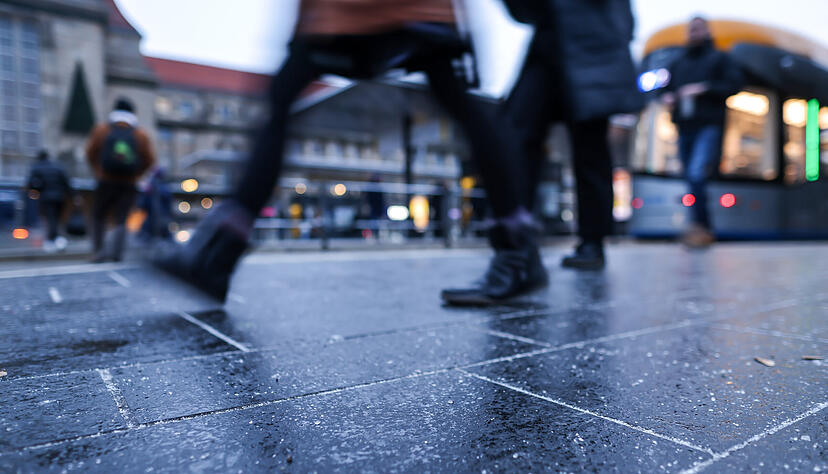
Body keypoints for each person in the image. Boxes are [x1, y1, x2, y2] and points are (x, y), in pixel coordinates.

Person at [155, 0, 545, 305]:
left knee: (283, 98)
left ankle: (220, 253)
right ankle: (517, 247)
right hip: (402, 14)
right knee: (460, 104)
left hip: (354, 15)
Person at [495, 0, 643, 271]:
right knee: (517, 139)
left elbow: (625, 21)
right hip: (549, 44)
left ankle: (592, 241)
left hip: (591, 48)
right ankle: (517, 242)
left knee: (589, 150)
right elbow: (523, 11)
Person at [661, 16, 742, 247]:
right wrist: (668, 96)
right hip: (684, 126)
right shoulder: (678, 62)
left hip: (708, 125)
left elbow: (734, 85)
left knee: (696, 174)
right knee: (691, 177)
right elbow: (666, 89)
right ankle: (700, 227)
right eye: (691, 29)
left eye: (698, 29)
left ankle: (701, 227)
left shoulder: (720, 59)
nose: (694, 33)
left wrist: (704, 89)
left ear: (707, 31)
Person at [86, 98, 155, 262]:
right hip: (129, 183)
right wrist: (136, 175)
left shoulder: (102, 130)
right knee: (121, 218)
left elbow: (90, 153)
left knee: (98, 215)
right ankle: (117, 254)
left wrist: (99, 171)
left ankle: (99, 252)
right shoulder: (140, 134)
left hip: (105, 181)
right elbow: (150, 159)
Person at [26, 150, 72, 252]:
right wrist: (74, 196)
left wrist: (35, 192)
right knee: (57, 219)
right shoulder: (58, 166)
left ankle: (51, 241)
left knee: (50, 219)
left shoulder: (36, 167)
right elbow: (66, 182)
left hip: (45, 197)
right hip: (60, 197)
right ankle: (58, 240)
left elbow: (31, 184)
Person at [138, 167, 172, 242]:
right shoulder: (165, 189)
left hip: (154, 219)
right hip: (158, 219)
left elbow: (142, 205)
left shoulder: (150, 188)